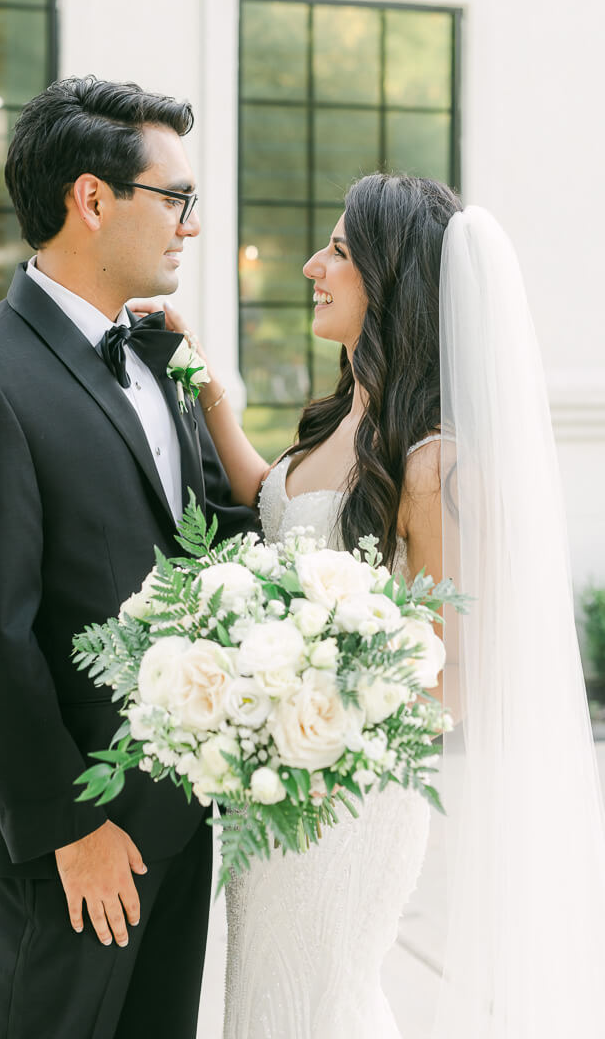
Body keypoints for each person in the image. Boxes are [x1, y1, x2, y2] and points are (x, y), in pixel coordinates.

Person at [151, 172, 605, 1037]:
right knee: (268, 996)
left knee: (323, 1002)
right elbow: (275, 500)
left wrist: (312, 714)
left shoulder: (437, 462)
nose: (315, 266)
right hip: (274, 782)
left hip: (346, 799)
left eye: (341, 252)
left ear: (391, 279)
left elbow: (457, 673)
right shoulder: (340, 418)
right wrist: (202, 378)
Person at [0, 76, 256, 1039]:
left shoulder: (156, 355)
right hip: (69, 844)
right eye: (175, 197)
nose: (191, 224)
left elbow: (210, 543)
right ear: (93, 199)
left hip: (176, 818)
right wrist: (71, 827)